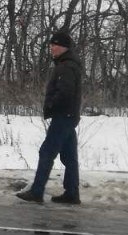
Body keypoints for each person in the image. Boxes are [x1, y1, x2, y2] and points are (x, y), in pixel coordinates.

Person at [16, 30, 82, 204]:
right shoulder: (70, 64)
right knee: (69, 156)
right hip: (69, 116)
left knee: (46, 152)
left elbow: (65, 92)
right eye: (51, 44)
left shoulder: (66, 67)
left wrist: (52, 104)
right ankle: (72, 193)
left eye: (54, 45)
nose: (51, 48)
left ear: (63, 47)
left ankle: (37, 191)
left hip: (63, 116)